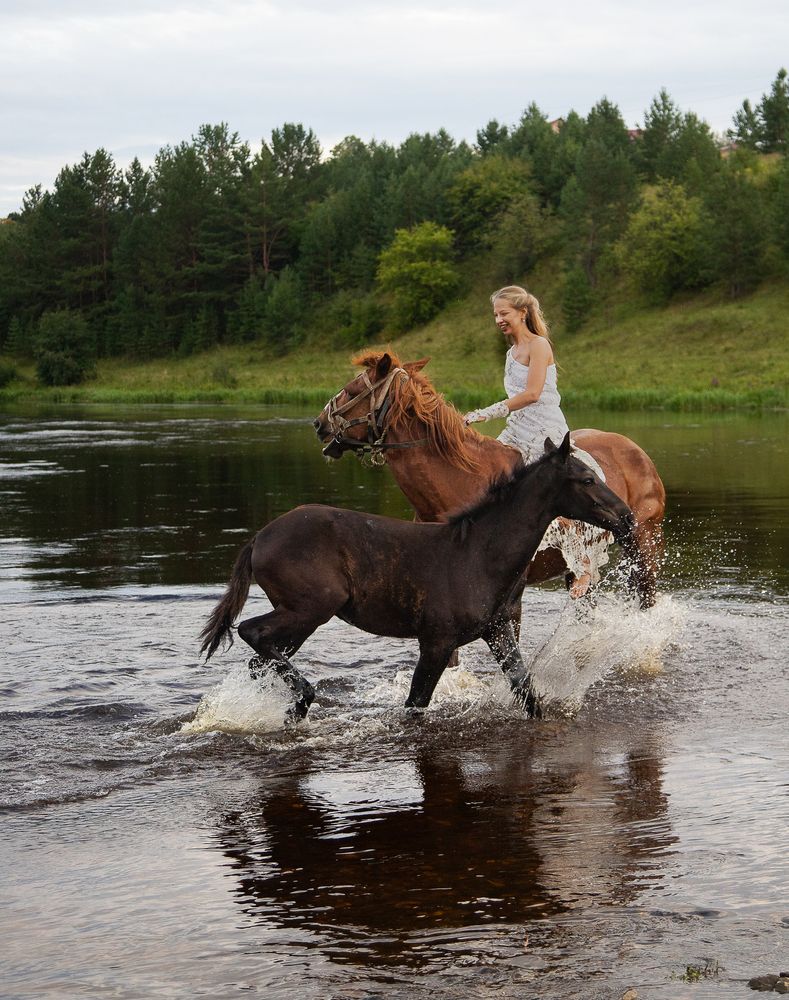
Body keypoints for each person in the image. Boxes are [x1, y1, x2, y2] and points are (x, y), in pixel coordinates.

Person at [464, 285, 610, 599]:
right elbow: (516, 397)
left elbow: (532, 394)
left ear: (522, 312)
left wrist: (485, 413)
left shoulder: (539, 345)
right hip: (516, 430)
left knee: (554, 493)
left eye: (503, 313)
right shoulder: (510, 352)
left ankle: (582, 565)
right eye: (495, 315)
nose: (498, 320)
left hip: (544, 432)